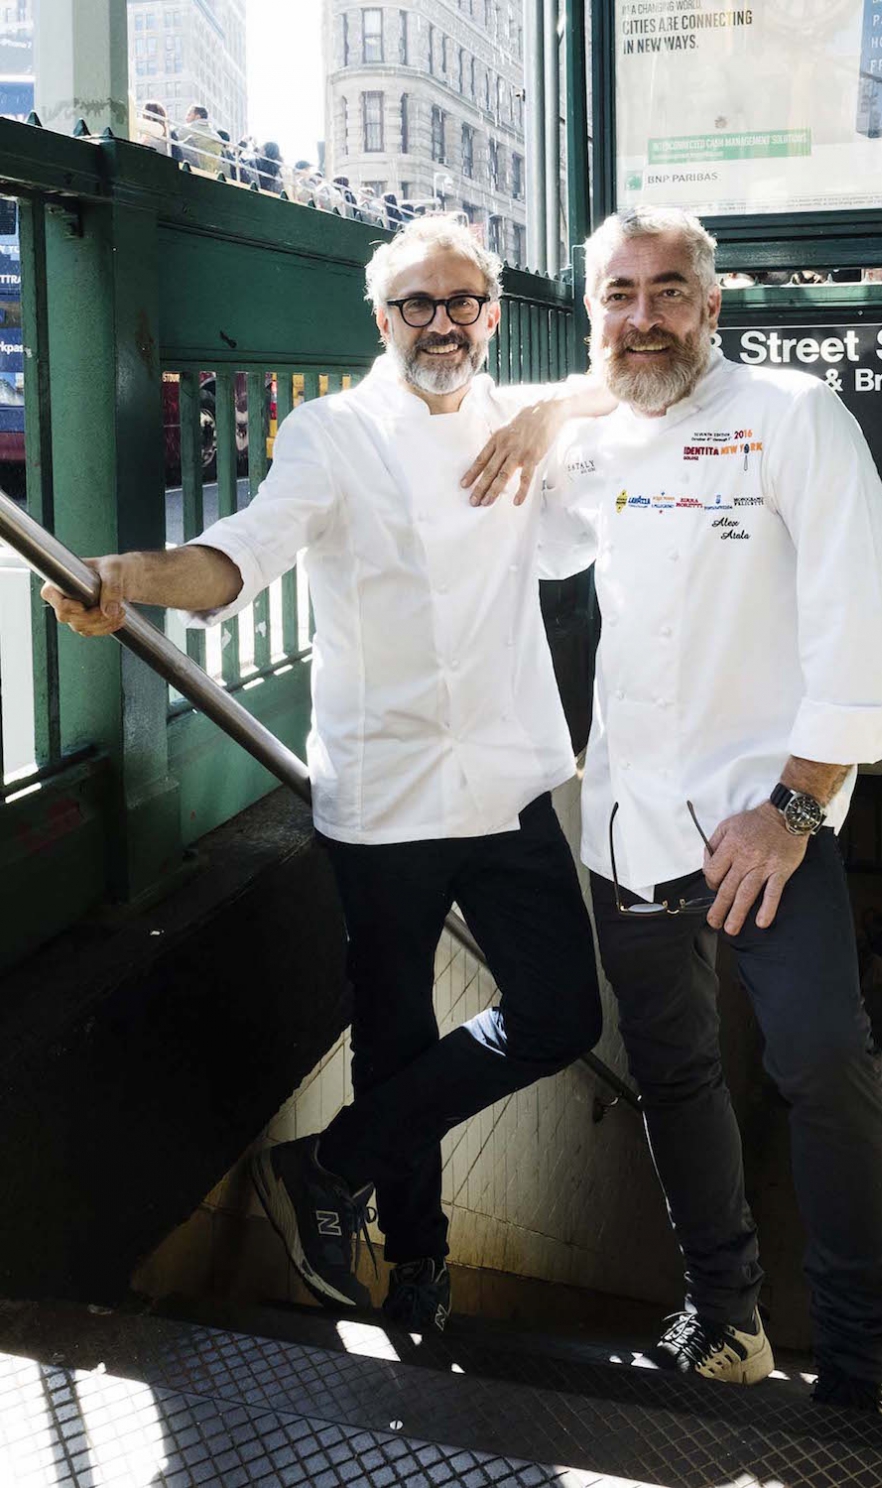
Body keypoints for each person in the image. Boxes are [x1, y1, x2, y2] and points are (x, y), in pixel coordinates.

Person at [41, 216, 613, 1334]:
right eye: (414, 305)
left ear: (492, 316)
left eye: (459, 303)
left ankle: (324, 1169)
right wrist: (127, 577)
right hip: (387, 795)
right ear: (380, 318)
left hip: (505, 779)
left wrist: (560, 403)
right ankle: (420, 1270)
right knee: (394, 1041)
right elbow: (240, 554)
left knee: (559, 1015)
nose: (438, 324)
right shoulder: (332, 432)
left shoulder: (522, 420)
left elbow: (650, 384)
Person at [525, 206, 882, 1415]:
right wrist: (548, 413)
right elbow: (534, 548)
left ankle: (858, 1366)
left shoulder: (793, 415)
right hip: (629, 821)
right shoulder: (593, 438)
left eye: (665, 291)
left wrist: (792, 811)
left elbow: (867, 624)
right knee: (672, 1070)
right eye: (616, 296)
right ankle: (725, 1317)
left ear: (711, 301)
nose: (640, 318)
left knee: (821, 1067)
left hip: (767, 832)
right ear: (593, 312)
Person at [174, 104, 224, 174]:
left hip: (191, 169)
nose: (186, 118)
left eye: (189, 115)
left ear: (197, 117)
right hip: (211, 173)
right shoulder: (217, 137)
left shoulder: (186, 129)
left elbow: (174, 143)